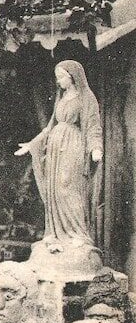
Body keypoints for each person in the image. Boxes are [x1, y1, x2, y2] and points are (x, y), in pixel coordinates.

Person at [15, 61, 103, 252]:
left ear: (72, 76)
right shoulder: (62, 97)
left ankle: (78, 233)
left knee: (68, 188)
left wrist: (96, 148)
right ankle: (56, 233)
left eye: (61, 76)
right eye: (57, 77)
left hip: (73, 147)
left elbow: (94, 125)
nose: (58, 81)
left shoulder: (87, 98)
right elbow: (50, 126)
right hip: (55, 150)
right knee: (54, 189)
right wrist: (32, 144)